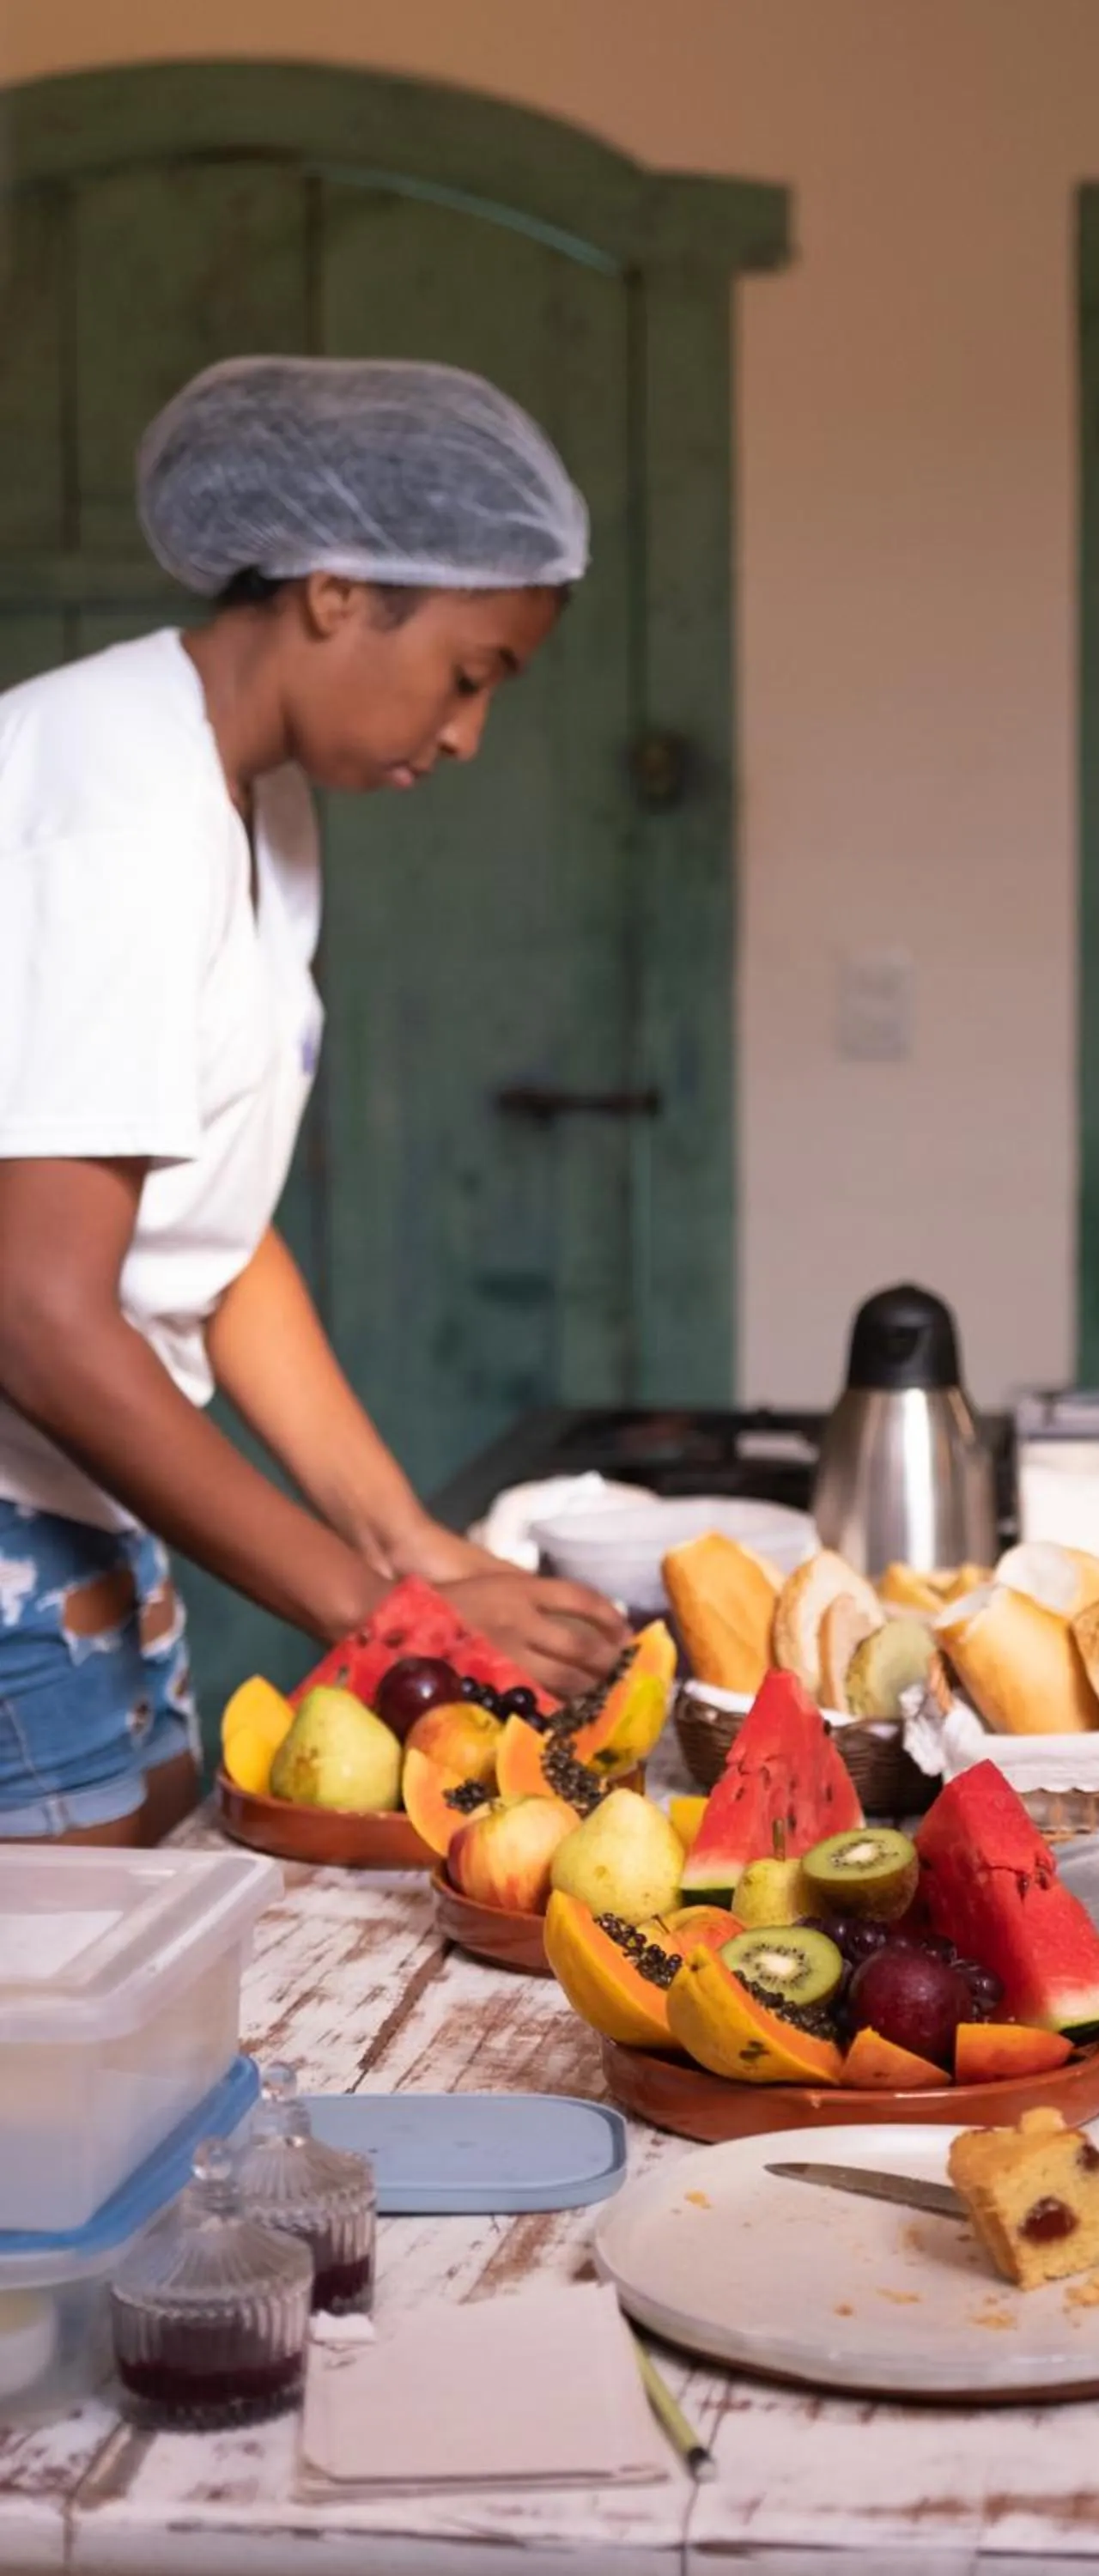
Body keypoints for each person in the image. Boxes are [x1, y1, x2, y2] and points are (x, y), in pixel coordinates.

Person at [0, 356, 628, 1846]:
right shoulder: (114, 807)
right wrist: (377, 1610)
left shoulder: (252, 800)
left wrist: (415, 1547)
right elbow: (36, 1304)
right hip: (16, 1533)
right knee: (65, 2057)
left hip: (85, 1515)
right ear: (339, 592)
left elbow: (206, 1233)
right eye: (471, 674)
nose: (469, 731)